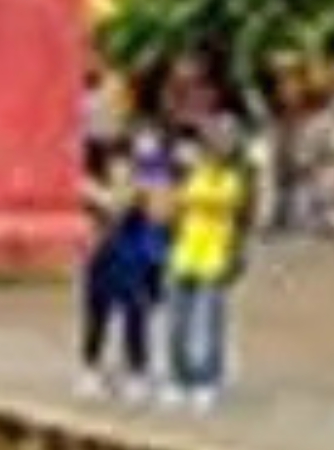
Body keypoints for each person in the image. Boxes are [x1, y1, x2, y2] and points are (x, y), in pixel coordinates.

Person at [159, 122, 257, 409]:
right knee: (177, 322)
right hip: (184, 253)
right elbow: (171, 206)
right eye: (216, 138)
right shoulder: (189, 169)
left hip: (216, 255)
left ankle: (207, 379)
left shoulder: (242, 176)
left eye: (227, 139)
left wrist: (237, 254)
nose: (221, 144)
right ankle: (180, 377)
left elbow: (244, 219)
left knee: (211, 322)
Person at [79, 122, 174, 401]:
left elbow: (162, 213)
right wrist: (120, 197)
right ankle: (90, 369)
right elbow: (109, 206)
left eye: (125, 161)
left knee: (136, 313)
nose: (120, 168)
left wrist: (144, 192)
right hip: (102, 255)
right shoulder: (92, 184)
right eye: (115, 162)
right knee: (97, 313)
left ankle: (137, 372)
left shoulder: (150, 182)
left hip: (135, 256)